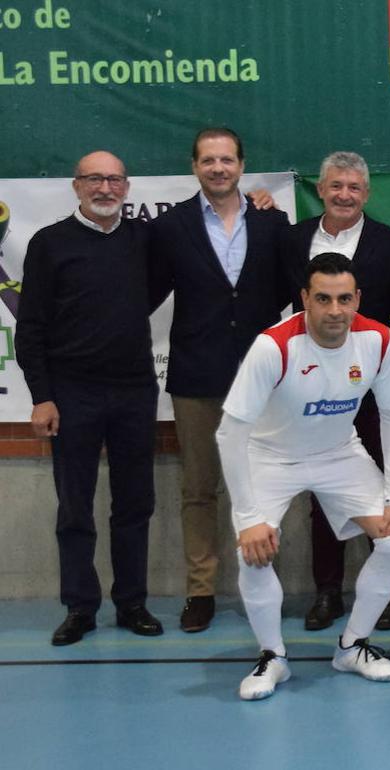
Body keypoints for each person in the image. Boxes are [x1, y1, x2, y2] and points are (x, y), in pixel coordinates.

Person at [217, 253, 390, 700]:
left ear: (358, 299)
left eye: (345, 299)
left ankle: (352, 646)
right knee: (254, 550)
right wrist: (248, 516)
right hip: (269, 456)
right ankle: (273, 657)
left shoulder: (378, 339)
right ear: (304, 298)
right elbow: (231, 432)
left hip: (337, 453)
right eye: (323, 299)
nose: (334, 311)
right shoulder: (274, 346)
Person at [15, 151, 162, 645]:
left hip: (134, 391)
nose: (105, 188)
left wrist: (258, 201)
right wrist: (42, 397)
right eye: (95, 179)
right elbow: (30, 326)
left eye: (115, 179)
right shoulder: (49, 244)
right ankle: (80, 607)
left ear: (127, 186)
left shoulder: (145, 239)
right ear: (76, 186)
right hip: (72, 394)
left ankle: (132, 603)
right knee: (74, 505)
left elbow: (199, 228)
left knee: (135, 502)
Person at [149, 127, 291, 633]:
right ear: (194, 166)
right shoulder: (171, 227)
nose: (218, 168)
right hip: (197, 376)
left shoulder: (273, 224)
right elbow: (143, 295)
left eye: (227, 159)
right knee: (199, 488)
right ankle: (201, 590)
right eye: (208, 160)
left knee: (266, 486)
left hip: (263, 378)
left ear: (241, 164)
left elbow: (290, 294)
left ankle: (264, 581)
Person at [285, 151, 390, 632]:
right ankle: (327, 591)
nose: (344, 195)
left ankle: (381, 593)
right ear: (320, 189)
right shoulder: (293, 239)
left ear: (367, 193)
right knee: (323, 488)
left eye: (354, 188)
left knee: (382, 487)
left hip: (372, 386)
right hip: (310, 390)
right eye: (335, 186)